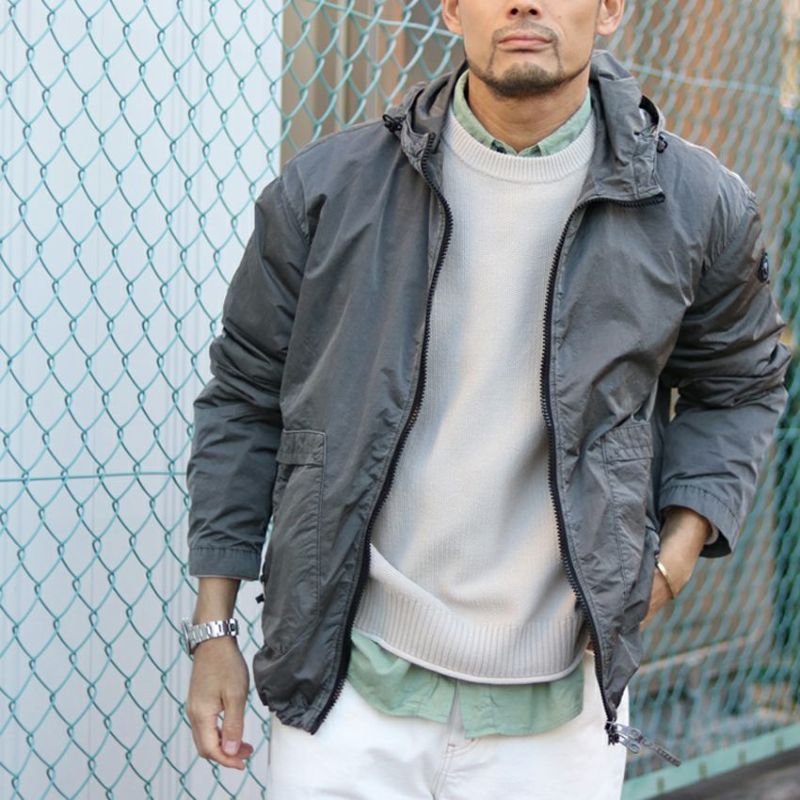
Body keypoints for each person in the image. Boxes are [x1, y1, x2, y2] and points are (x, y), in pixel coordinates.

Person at [182, 0, 791, 796]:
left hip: (561, 704)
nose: (524, 3)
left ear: (609, 10)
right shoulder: (332, 187)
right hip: (345, 685)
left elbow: (741, 385)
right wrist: (215, 626)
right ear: (451, 9)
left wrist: (672, 561)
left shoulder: (694, 203)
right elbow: (244, 394)